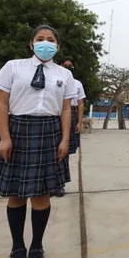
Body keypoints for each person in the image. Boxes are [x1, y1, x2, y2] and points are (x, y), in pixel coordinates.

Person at [0, 25, 77, 258]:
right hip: (18, 129)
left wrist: (65, 140)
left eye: (51, 40)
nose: (46, 43)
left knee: (41, 195)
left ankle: (36, 246)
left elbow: (66, 109)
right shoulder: (13, 67)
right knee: (16, 194)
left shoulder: (64, 75)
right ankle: (17, 248)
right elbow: (1, 104)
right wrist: (5, 137)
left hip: (49, 132)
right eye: (40, 39)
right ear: (31, 44)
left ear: (58, 46)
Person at [53, 57, 86, 198]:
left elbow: (80, 104)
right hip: (54, 113)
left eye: (70, 66)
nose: (68, 67)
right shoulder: (54, 79)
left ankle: (60, 184)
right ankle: (48, 183)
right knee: (51, 149)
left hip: (70, 114)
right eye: (65, 65)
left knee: (64, 151)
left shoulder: (77, 83)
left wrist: (79, 122)